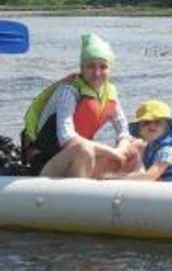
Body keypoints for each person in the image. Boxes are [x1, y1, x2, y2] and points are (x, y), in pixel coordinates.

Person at [21, 32, 140, 178]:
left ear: (110, 69)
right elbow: (67, 138)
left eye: (103, 67)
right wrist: (112, 152)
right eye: (91, 66)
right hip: (46, 163)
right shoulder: (68, 91)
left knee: (137, 147)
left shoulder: (109, 93)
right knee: (85, 149)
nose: (97, 72)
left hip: (79, 159)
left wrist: (121, 149)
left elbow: (124, 133)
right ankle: (81, 196)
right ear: (82, 68)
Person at [117, 100, 172, 183]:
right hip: (163, 186)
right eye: (146, 123)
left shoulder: (167, 149)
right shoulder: (149, 146)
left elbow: (150, 177)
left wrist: (118, 177)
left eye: (158, 122)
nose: (152, 126)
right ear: (139, 129)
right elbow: (139, 168)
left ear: (166, 127)